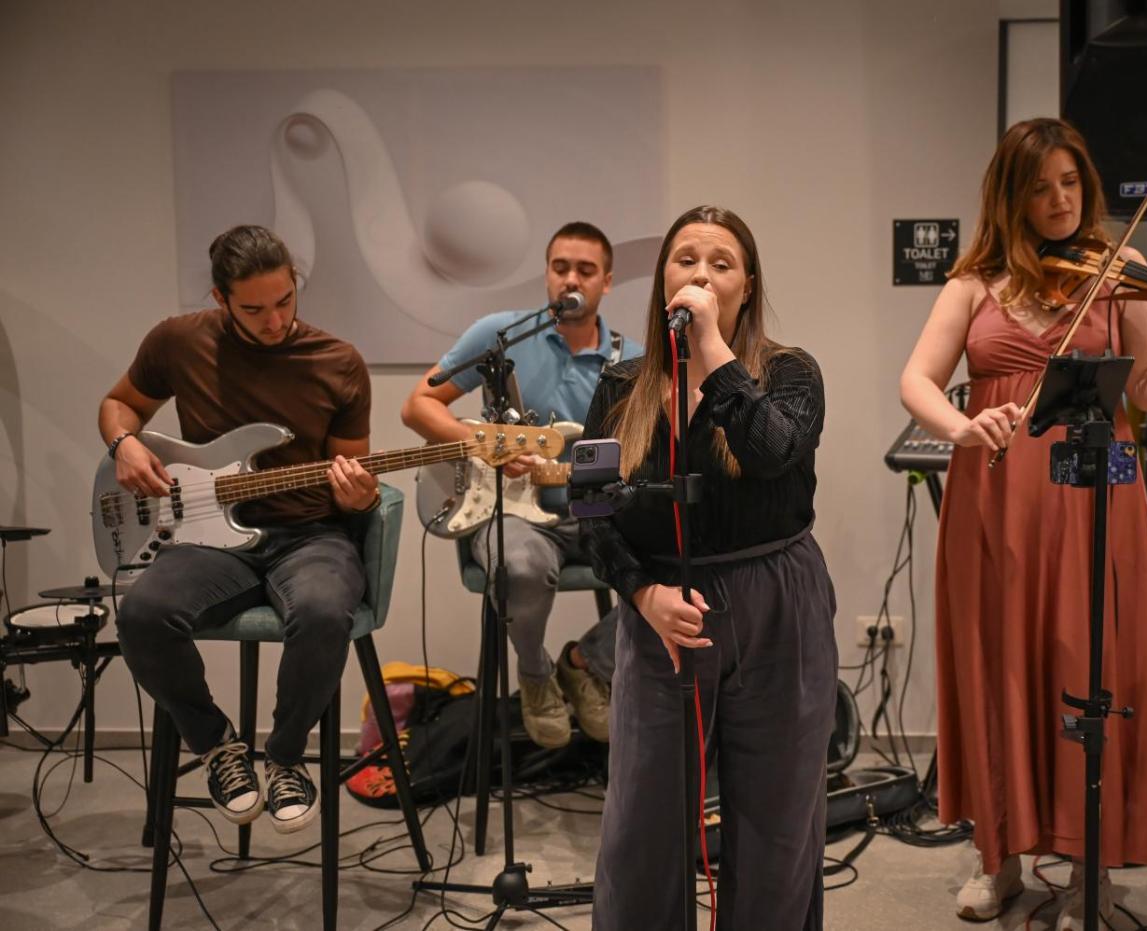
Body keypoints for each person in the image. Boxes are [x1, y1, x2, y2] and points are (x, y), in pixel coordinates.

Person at [900, 117, 1147, 929]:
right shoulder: (974, 282)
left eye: (1070, 183)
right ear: (1010, 197)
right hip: (995, 496)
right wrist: (962, 427)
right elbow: (916, 380)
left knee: (1090, 662)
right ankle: (999, 856)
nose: (1060, 200)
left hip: (1094, 495)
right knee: (998, 663)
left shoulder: (1119, 271)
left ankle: (1093, 863)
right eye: (1040, 187)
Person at [581, 205, 836, 930]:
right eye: (685, 259)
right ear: (663, 279)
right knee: (643, 826)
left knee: (776, 822)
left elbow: (770, 451)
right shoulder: (621, 387)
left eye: (721, 264)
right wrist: (643, 594)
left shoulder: (791, 374)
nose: (701, 274)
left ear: (746, 287)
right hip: (663, 610)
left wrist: (715, 352)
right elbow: (590, 512)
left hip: (777, 602)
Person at [103, 225, 380, 833]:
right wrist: (124, 443)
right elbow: (119, 405)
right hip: (205, 537)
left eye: (285, 300)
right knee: (142, 614)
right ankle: (217, 747)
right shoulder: (177, 342)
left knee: (324, 612)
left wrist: (360, 496)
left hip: (309, 535)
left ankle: (285, 758)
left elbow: (352, 475)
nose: (275, 320)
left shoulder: (338, 363)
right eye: (254, 309)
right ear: (220, 298)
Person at [401, 221, 641, 748]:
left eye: (585, 270)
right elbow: (418, 405)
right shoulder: (500, 335)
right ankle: (535, 673)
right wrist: (481, 443)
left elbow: (646, 451)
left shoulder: (634, 361)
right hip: (512, 514)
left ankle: (587, 664)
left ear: (606, 282)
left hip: (596, 516)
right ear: (547, 275)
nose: (571, 279)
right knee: (521, 567)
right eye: (561, 268)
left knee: (689, 560)